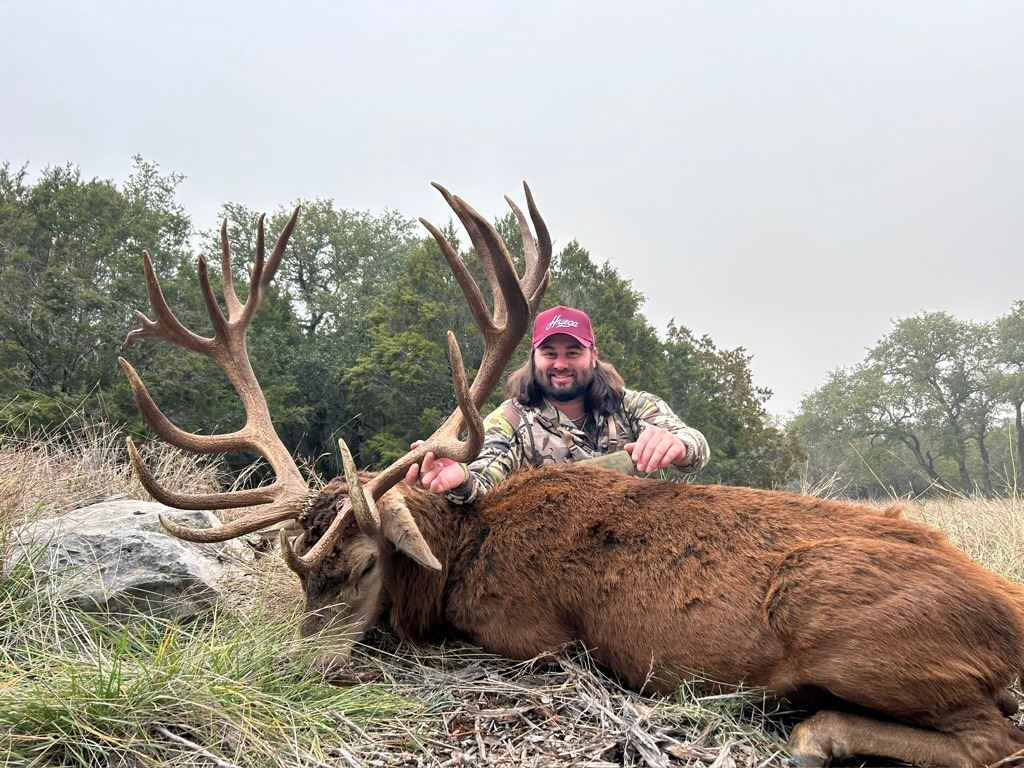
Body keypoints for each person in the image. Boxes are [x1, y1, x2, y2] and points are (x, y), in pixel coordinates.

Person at [405, 305, 709, 504]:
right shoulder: (511, 420)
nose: (560, 364)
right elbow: (482, 483)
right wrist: (459, 480)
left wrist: (679, 445)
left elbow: (695, 447)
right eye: (549, 353)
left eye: (573, 352)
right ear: (534, 357)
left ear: (593, 356)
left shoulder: (632, 406)